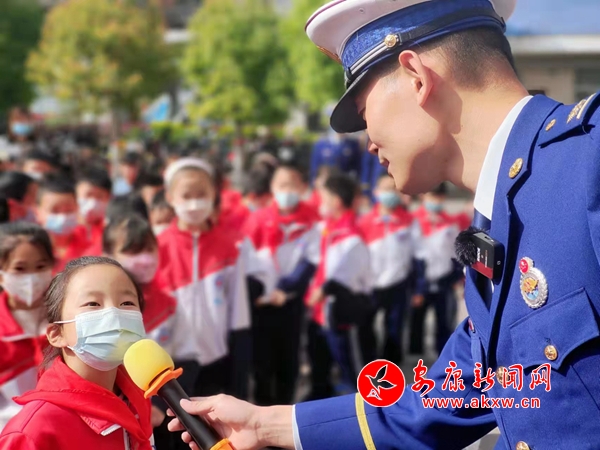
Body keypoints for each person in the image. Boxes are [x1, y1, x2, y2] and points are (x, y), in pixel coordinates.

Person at [168, 0, 600, 449]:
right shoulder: (497, 223)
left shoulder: (590, 160)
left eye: (363, 111)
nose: (367, 141)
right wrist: (266, 425)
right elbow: (445, 399)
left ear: (416, 77)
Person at [0, 256, 151, 449]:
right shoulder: (33, 432)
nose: (114, 314)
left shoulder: (140, 398)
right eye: (93, 304)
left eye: (127, 302)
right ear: (57, 334)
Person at [157, 158, 251, 409]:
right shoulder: (158, 246)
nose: (194, 203)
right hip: (171, 361)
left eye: (201, 195)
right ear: (170, 197)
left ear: (214, 195)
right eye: (186, 195)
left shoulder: (229, 246)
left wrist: (239, 370)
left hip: (216, 359)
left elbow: (239, 311)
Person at [244, 163, 320, 405]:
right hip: (261, 304)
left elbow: (310, 262)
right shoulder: (257, 219)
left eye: (292, 185)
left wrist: (285, 290)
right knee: (262, 362)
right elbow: (247, 260)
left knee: (289, 360)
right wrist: (258, 292)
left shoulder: (312, 221)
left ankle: (286, 410)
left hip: (291, 302)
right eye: (281, 185)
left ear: (302, 188)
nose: (286, 190)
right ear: (272, 188)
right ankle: (262, 411)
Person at [102, 214, 179, 446]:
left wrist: (160, 406)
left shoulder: (169, 303)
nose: (144, 259)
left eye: (149, 250)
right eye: (132, 251)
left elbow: (187, 358)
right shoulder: (98, 311)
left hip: (161, 417)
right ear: (108, 255)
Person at [306, 172, 372, 395]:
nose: (320, 203)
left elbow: (344, 276)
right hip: (322, 313)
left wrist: (323, 290)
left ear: (335, 201)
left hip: (344, 311)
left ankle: (365, 405)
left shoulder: (352, 236)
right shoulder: (327, 229)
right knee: (320, 363)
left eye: (323, 198)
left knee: (351, 366)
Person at [0, 223, 54, 430]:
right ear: (2, 273)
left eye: (40, 267)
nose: (31, 278)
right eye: (19, 269)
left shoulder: (66, 316)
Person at [358, 173, 416, 364]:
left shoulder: (409, 221)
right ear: (376, 192)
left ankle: (391, 367)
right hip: (370, 286)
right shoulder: (364, 221)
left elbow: (418, 255)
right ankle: (369, 364)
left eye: (394, 189)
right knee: (366, 326)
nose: (390, 193)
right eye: (385, 189)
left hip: (398, 283)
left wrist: (417, 286)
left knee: (394, 329)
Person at [409, 183, 463, 355]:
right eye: (432, 197)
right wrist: (415, 285)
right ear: (423, 196)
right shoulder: (413, 220)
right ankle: (415, 356)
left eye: (439, 198)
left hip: (443, 281)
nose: (436, 201)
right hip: (419, 282)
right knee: (416, 322)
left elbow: (456, 253)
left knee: (444, 321)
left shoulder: (449, 223)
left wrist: (457, 279)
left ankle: (442, 355)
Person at [34, 177, 90, 271]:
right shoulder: (33, 249)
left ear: (77, 208)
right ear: (37, 212)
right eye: (54, 211)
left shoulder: (90, 245)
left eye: (69, 210)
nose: (63, 217)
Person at [75, 167, 112, 250]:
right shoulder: (66, 231)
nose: (93, 202)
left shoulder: (110, 231)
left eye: (100, 196)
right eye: (88, 195)